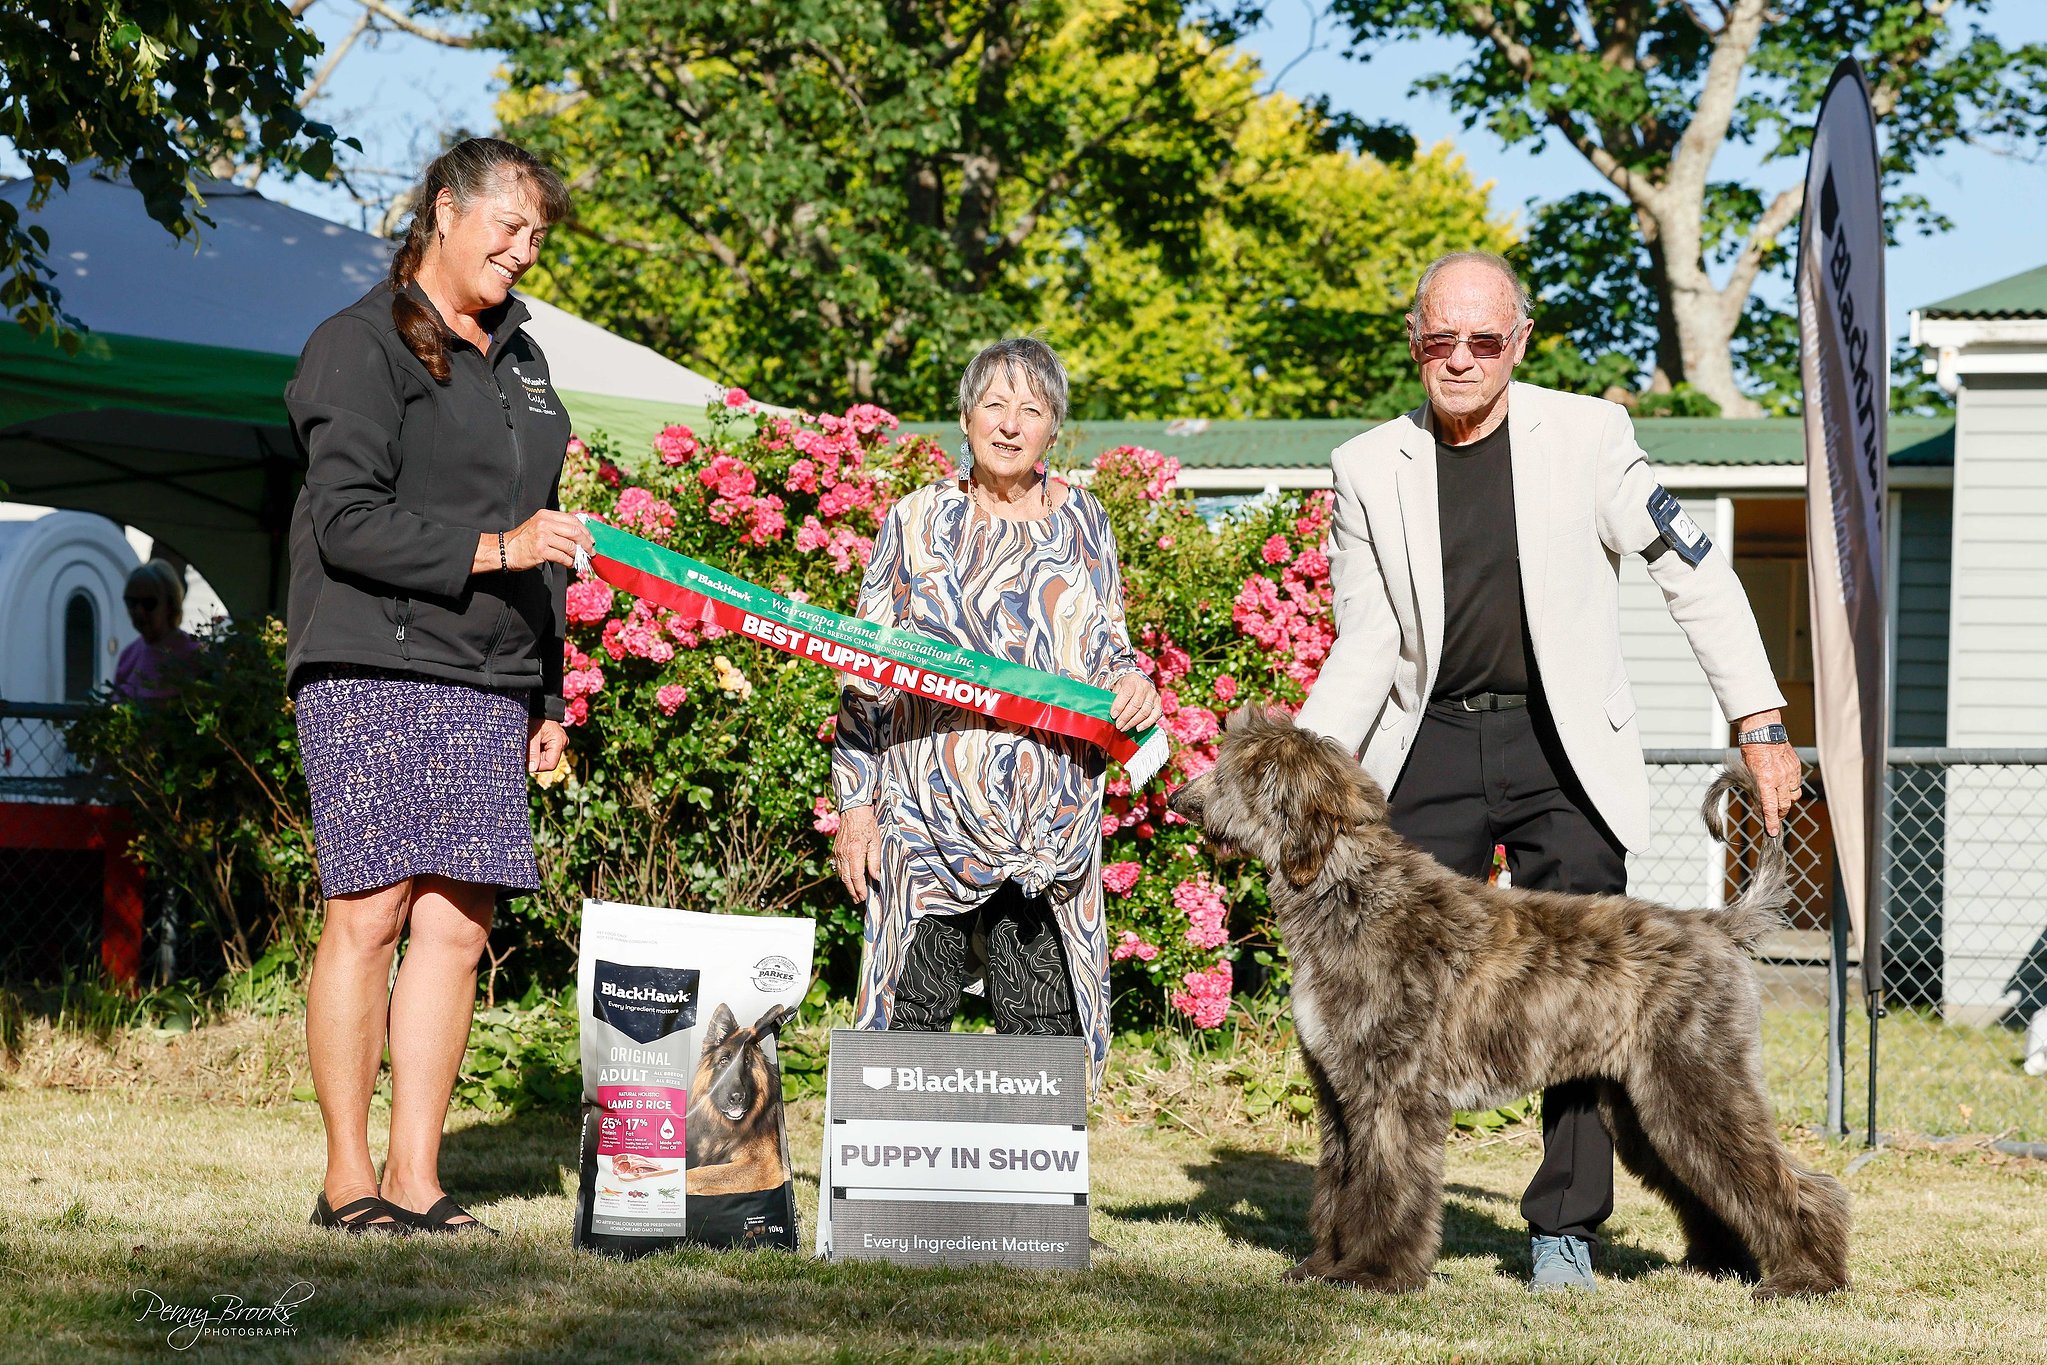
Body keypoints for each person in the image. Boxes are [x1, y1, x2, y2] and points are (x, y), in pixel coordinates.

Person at [1295, 251, 1804, 1292]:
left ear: (1519, 343)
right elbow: (1365, 640)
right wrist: (1310, 769)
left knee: (1591, 994)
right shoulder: (1366, 465)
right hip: (1429, 738)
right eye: (1441, 338)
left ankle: (1563, 1228)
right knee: (1377, 999)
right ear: (1414, 341)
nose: (1461, 359)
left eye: (1484, 339)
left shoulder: (1591, 437)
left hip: (1560, 743)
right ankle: (1371, 1233)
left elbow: (1693, 575)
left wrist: (1758, 718)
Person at [283, 137, 592, 1235]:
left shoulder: (526, 361)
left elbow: (544, 541)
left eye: (537, 235)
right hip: (371, 655)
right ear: (446, 210)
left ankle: (417, 1176)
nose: (524, 250)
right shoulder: (358, 342)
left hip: (490, 672)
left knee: (458, 924)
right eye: (509, 226)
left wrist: (547, 694)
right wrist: (498, 550)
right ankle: (347, 1179)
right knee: (370, 911)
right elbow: (347, 520)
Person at [830, 338, 1163, 1083]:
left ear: (1053, 428)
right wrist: (855, 808)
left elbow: (1107, 646)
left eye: (1031, 410)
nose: (1010, 425)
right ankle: (900, 1161)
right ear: (965, 417)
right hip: (925, 823)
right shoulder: (914, 520)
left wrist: (1133, 681)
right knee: (908, 1034)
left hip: (1045, 828)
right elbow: (862, 676)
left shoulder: (1086, 521)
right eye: (994, 405)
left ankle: (1029, 1163)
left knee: (1040, 1043)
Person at [113, 559, 201, 700]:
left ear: (170, 605)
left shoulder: (193, 655)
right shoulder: (128, 655)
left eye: (149, 603)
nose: (139, 611)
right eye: (131, 602)